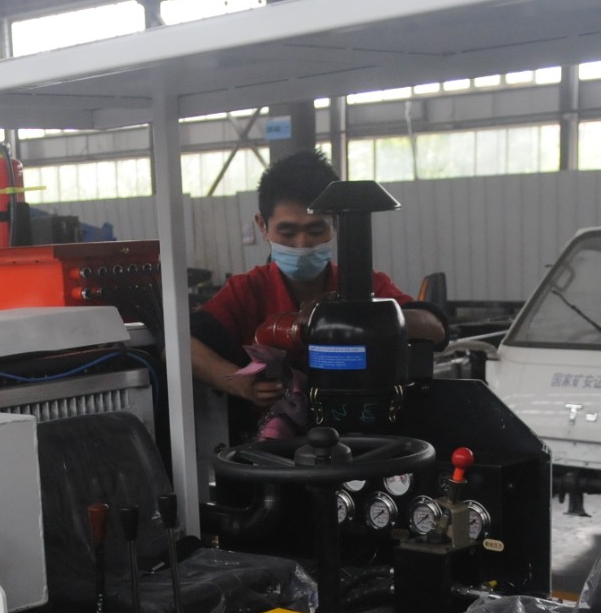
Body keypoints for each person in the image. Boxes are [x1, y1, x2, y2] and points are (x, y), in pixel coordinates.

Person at [189, 150, 446, 432]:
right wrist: (242, 383)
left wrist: (360, 317)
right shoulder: (247, 291)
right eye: (288, 232)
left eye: (315, 230)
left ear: (335, 224)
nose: (302, 244)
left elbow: (435, 327)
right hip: (271, 445)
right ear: (263, 226)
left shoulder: (364, 285)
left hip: (362, 435)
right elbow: (183, 348)